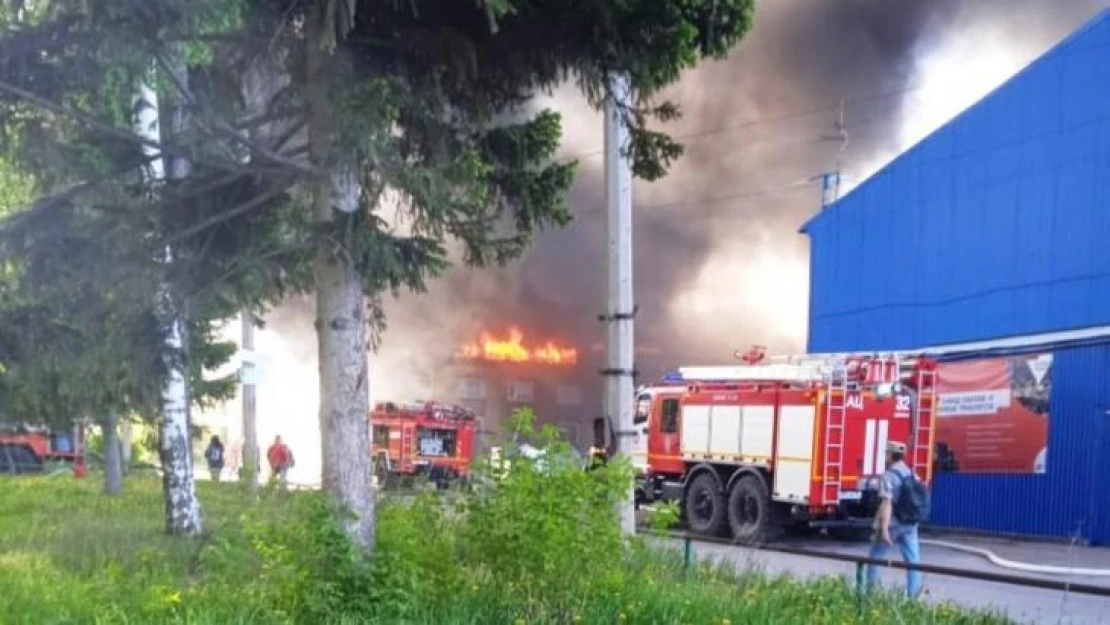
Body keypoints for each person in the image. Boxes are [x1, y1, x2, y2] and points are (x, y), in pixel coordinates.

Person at [867, 440, 925, 598]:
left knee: (875, 558)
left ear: (891, 455)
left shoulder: (888, 476)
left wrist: (884, 529)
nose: (885, 456)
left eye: (886, 453)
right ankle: (914, 598)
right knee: (913, 561)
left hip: (893, 524)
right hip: (910, 523)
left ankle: (870, 595)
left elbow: (887, 503)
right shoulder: (912, 474)